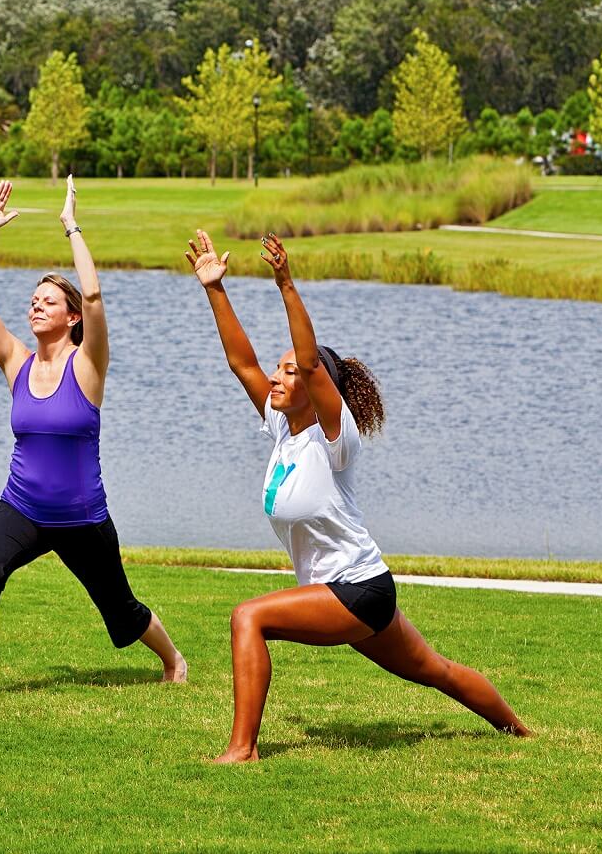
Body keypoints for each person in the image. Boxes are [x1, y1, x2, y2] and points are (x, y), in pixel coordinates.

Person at [185, 228, 531, 763]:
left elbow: (311, 360)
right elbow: (242, 364)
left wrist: (286, 283)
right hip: (354, 588)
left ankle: (242, 750)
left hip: (357, 589)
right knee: (434, 670)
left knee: (247, 617)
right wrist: (214, 288)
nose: (277, 377)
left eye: (290, 371)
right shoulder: (283, 429)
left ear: (317, 386)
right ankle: (518, 731)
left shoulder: (334, 438)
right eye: (279, 370)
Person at [0, 178, 187, 696]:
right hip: (21, 506)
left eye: (47, 301)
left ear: (72, 317)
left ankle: (173, 660)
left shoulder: (88, 366)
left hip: (81, 516)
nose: (35, 307)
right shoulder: (16, 362)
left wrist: (71, 227)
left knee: (122, 612)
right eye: (32, 300)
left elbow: (95, 292)